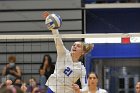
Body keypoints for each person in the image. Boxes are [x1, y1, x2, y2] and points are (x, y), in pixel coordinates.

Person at [43, 12, 93, 93]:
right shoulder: (63, 53)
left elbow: (86, 88)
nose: (74, 46)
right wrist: (51, 24)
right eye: (74, 45)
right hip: (52, 89)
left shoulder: (81, 68)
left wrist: (79, 90)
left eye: (78, 46)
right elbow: (57, 38)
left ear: (83, 52)